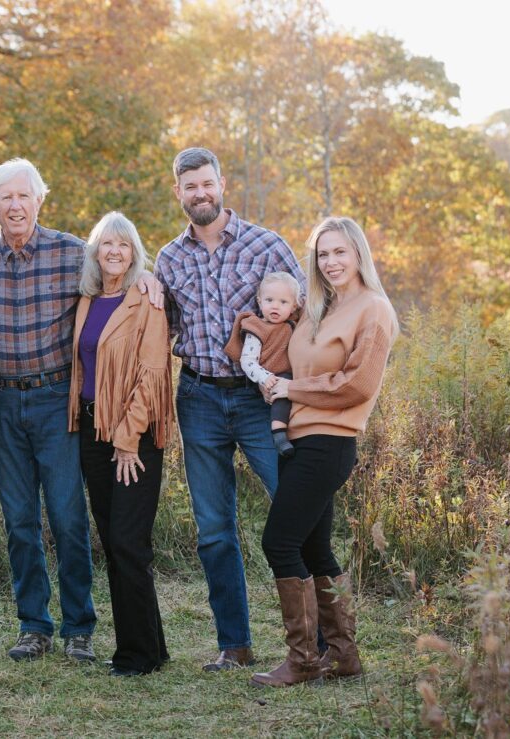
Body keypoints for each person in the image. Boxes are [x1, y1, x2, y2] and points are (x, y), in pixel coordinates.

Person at [0, 158, 161, 663]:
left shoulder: (71, 253)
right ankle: (34, 625)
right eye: (5, 197)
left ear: (39, 200)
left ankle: (79, 627)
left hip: (56, 401)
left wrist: (149, 279)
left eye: (23, 195)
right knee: (19, 520)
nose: (15, 205)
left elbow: (117, 273)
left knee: (69, 518)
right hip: (2, 400)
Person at [153, 147, 307, 671]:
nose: (200, 193)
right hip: (197, 396)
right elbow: (162, 328)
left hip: (259, 398)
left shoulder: (267, 245)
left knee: (293, 505)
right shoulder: (169, 259)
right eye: (190, 186)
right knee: (214, 528)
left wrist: (297, 383)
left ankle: (318, 642)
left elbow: (305, 316)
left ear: (222, 184)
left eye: (207, 183)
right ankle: (235, 645)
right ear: (178, 192)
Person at [252, 217, 397, 688]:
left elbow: (358, 384)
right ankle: (343, 656)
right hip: (298, 439)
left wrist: (292, 389)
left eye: (339, 252)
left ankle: (302, 660)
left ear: (358, 254)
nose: (331, 262)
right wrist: (272, 381)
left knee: (279, 542)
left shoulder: (373, 309)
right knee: (313, 547)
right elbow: (293, 365)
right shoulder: (321, 308)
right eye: (322, 254)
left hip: (329, 441)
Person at [66, 212, 174, 677]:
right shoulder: (87, 300)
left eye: (123, 245)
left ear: (134, 253)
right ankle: (152, 646)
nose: (114, 251)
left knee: (130, 542)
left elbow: (152, 375)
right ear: (95, 252)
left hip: (134, 434)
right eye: (106, 244)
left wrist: (128, 441)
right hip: (92, 432)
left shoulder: (146, 300)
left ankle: (136, 656)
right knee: (114, 542)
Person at [223, 272, 303, 458]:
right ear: (259, 302)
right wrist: (264, 377)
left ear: (294, 306)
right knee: (281, 392)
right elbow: (247, 361)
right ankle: (279, 434)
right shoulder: (257, 328)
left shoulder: (293, 325)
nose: (275, 306)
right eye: (269, 300)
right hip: (272, 377)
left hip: (296, 378)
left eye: (283, 302)